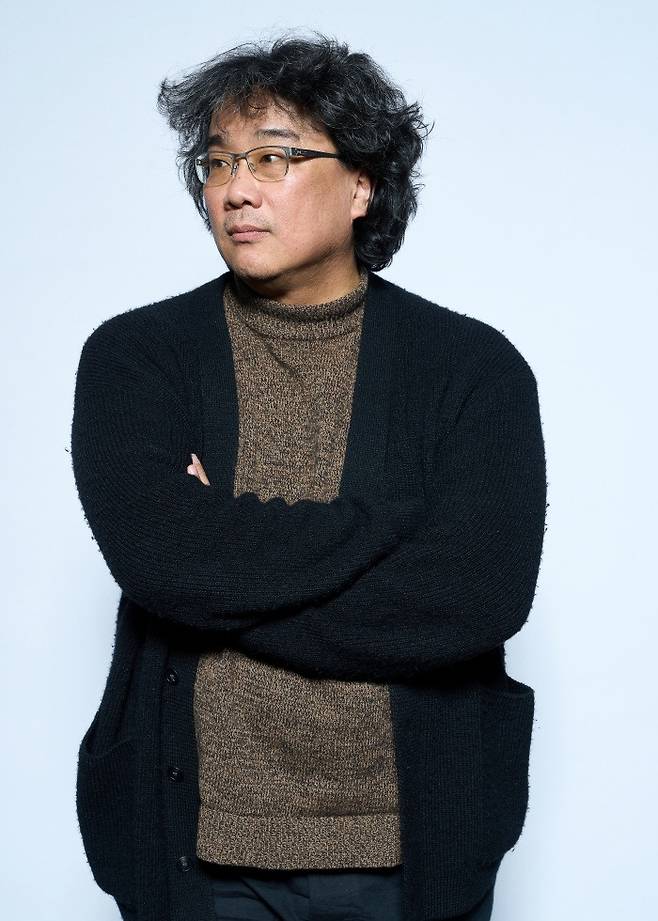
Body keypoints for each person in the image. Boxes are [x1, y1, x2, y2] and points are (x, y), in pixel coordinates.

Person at [71, 31, 547, 921]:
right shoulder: (137, 359)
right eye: (217, 161)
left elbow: (474, 597)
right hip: (197, 852)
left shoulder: (472, 371)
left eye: (274, 157)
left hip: (408, 853)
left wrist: (221, 559)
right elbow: (165, 563)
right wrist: (388, 528)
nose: (235, 188)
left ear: (362, 184)